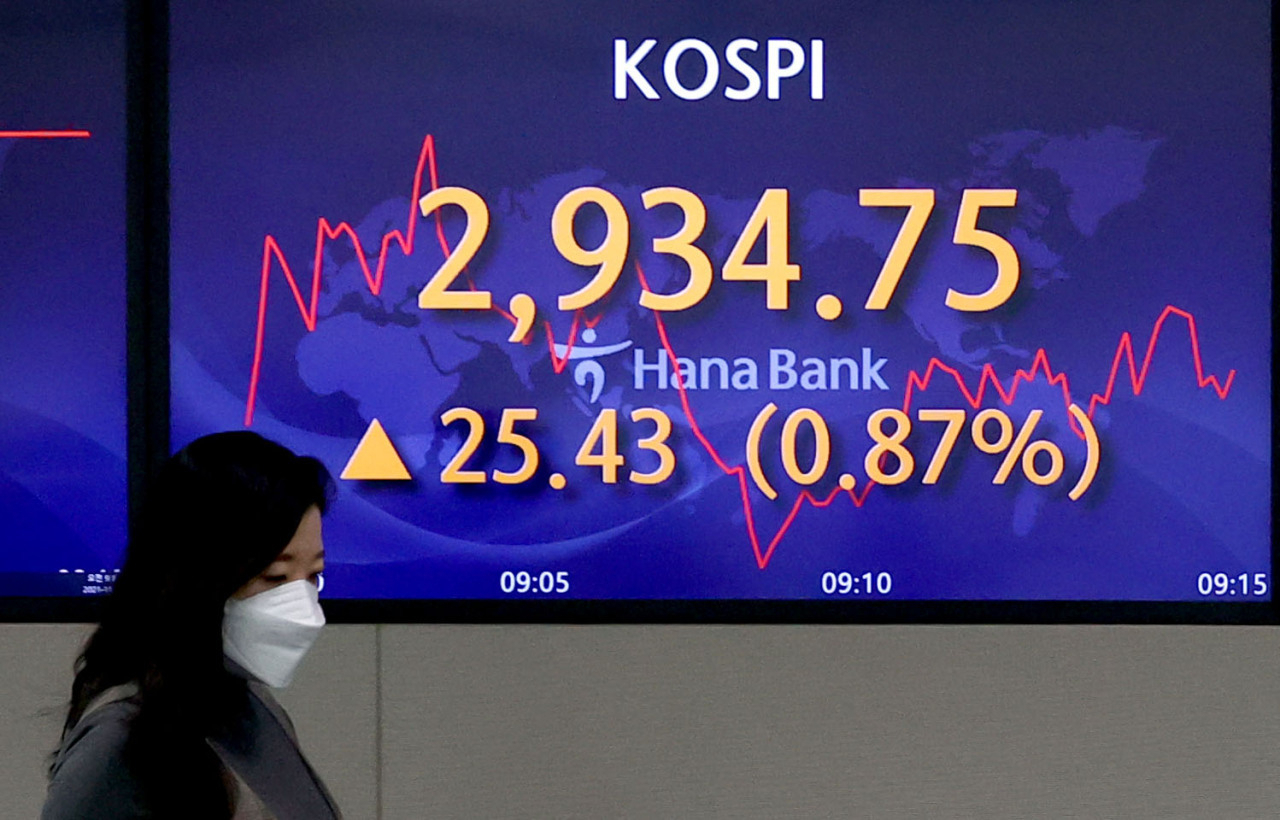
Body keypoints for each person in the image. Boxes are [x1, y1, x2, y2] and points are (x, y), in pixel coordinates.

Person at [41, 431, 343, 819]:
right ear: (197, 579)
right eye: (274, 578)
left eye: (313, 576)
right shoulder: (116, 745)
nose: (302, 609)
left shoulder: (248, 707)